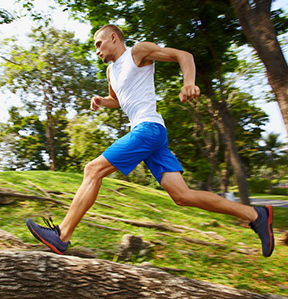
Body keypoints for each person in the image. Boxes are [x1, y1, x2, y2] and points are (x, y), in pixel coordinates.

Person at [26, 24, 274, 257]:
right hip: (149, 134)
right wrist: (103, 101)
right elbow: (120, 100)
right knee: (182, 195)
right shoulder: (110, 71)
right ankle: (255, 214)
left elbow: (184, 55)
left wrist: (189, 83)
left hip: (149, 129)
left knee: (93, 169)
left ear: (114, 38)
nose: (97, 50)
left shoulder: (138, 52)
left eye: (99, 43)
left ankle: (62, 235)